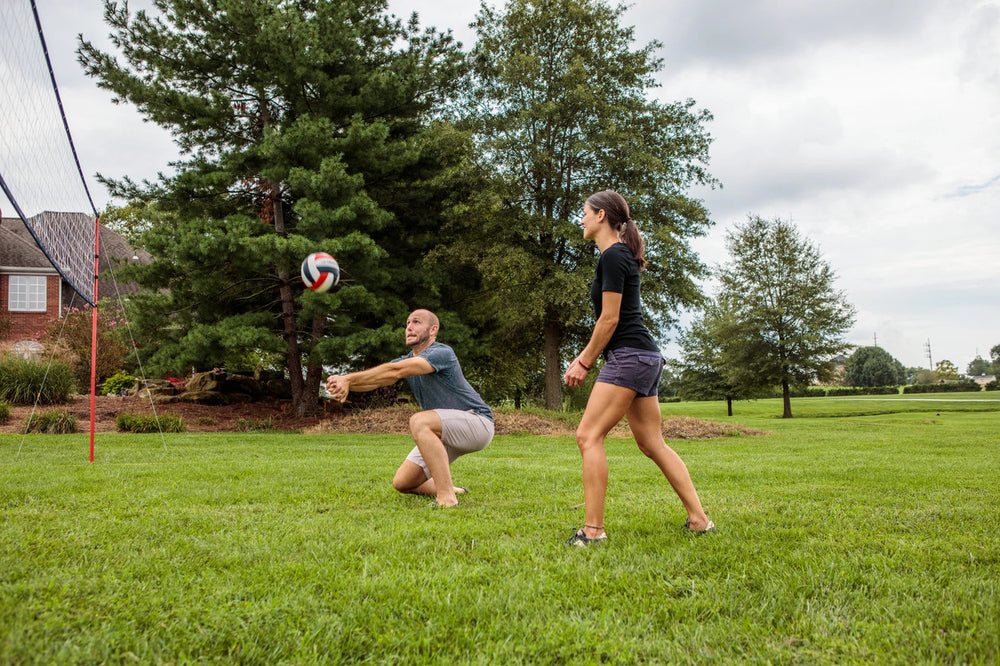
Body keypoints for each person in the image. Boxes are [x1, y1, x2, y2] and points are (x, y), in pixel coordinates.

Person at [563, 190, 714, 546]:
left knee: (588, 436)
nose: (581, 219)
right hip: (645, 357)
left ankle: (593, 532)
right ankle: (699, 520)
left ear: (601, 215)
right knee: (651, 443)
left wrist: (584, 361)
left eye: (585, 212)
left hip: (630, 357)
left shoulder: (613, 255)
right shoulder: (619, 255)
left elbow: (609, 319)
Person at [326, 309, 493, 508]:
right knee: (403, 483)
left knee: (419, 420)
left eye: (416, 322)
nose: (409, 328)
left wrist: (348, 378)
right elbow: (378, 379)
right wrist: (344, 384)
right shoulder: (405, 361)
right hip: (445, 431)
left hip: (477, 422)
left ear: (433, 330)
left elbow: (396, 371)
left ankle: (447, 499)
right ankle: (455, 489)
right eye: (407, 323)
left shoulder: (442, 353)